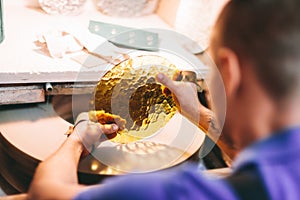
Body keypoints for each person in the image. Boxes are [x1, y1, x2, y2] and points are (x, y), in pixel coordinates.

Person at [28, 0, 300, 199]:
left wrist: (77, 140)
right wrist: (195, 111)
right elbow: (257, 159)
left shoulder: (180, 193)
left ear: (230, 72)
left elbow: (45, 193)